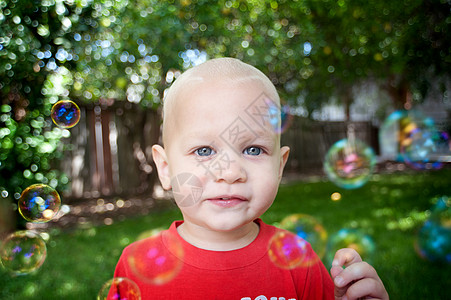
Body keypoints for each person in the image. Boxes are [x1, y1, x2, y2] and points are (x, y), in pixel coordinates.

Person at [113, 57, 389, 300]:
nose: (231, 172)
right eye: (204, 151)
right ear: (165, 168)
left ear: (279, 166)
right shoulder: (136, 266)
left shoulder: (298, 259)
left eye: (253, 149)